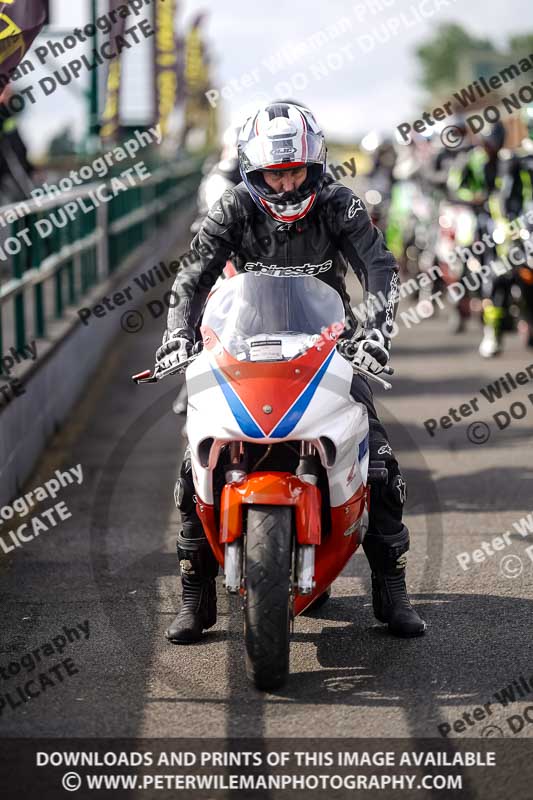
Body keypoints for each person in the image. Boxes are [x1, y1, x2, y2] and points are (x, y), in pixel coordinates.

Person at [156, 102, 427, 644]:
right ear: (252, 172)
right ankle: (195, 593)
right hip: (240, 342)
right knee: (196, 464)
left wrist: (376, 331)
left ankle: (391, 588)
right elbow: (192, 273)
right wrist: (178, 332)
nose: (285, 183)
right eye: (273, 173)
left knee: (379, 461)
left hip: (328, 342)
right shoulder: (232, 206)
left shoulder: (339, 204)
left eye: (295, 170)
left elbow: (378, 266)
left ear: (315, 165)